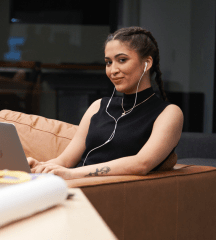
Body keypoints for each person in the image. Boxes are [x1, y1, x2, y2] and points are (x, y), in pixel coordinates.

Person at [28, 26, 184, 180]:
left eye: (122, 60)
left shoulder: (169, 113)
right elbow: (65, 161)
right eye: (108, 62)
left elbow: (142, 164)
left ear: (146, 63)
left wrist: (72, 174)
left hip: (108, 191)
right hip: (73, 184)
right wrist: (40, 166)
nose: (113, 70)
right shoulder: (98, 105)